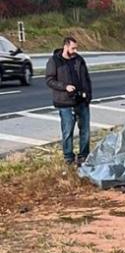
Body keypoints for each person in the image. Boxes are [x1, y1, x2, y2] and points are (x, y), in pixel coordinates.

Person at [45, 37, 92, 166]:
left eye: (76, 48)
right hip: (65, 102)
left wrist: (88, 96)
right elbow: (49, 80)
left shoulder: (79, 60)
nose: (75, 51)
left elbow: (86, 78)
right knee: (67, 131)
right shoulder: (54, 61)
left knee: (85, 131)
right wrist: (64, 87)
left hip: (81, 101)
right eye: (73, 48)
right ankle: (68, 157)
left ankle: (84, 155)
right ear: (66, 46)